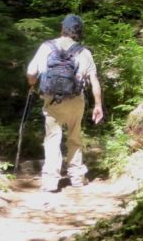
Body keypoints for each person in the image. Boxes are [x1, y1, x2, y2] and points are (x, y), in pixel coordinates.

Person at [26, 14, 104, 191]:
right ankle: (76, 177)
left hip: (52, 100)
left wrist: (32, 84)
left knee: (52, 138)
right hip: (76, 100)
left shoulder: (46, 47)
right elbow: (94, 80)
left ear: (62, 28)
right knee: (75, 137)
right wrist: (98, 105)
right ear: (79, 31)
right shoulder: (84, 52)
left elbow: (31, 73)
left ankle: (51, 181)